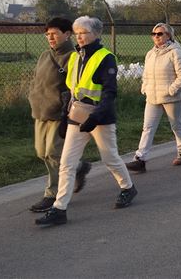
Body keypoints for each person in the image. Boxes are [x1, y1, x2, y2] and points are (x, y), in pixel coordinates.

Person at [36, 16, 136, 226]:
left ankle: (127, 187)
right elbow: (72, 91)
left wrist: (96, 117)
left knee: (110, 158)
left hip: (100, 115)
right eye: (77, 32)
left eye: (84, 32)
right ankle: (59, 208)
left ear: (96, 34)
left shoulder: (105, 57)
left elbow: (110, 92)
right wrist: (65, 116)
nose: (80, 37)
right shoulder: (75, 57)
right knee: (67, 163)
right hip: (76, 114)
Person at [28, 17, 92, 213]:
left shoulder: (73, 57)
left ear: (67, 34)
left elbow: (75, 87)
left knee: (54, 153)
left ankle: (53, 193)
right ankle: (79, 167)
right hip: (40, 111)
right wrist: (33, 97)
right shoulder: (44, 56)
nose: (50, 37)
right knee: (41, 152)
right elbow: (36, 81)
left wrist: (64, 106)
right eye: (48, 34)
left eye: (54, 33)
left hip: (59, 113)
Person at [126, 23, 181, 173]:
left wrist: (171, 90)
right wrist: (145, 88)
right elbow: (146, 74)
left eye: (160, 34)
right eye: (154, 34)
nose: (156, 36)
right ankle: (140, 159)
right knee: (148, 127)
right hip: (152, 97)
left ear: (168, 35)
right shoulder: (150, 53)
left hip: (171, 97)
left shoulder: (176, 52)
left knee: (176, 125)